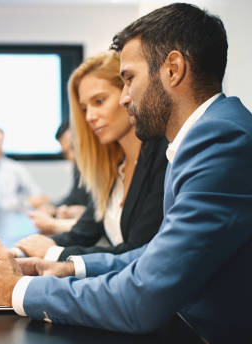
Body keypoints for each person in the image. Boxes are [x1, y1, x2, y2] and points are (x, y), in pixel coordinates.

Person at [0, 3, 252, 342]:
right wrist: (63, 268)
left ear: (173, 69)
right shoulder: (214, 135)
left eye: (128, 79)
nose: (125, 98)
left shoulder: (222, 144)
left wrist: (15, 290)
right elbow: (156, 256)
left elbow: (142, 299)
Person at [15, 51, 168, 261]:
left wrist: (53, 253)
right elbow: (82, 234)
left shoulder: (162, 156)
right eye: (85, 108)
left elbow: (137, 251)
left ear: (127, 93)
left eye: (99, 101)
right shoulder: (112, 167)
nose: (90, 117)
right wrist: (16, 253)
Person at [26, 121, 91, 235]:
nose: (71, 156)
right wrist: (51, 206)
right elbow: (73, 198)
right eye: (66, 152)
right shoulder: (79, 167)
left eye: (73, 147)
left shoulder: (96, 167)